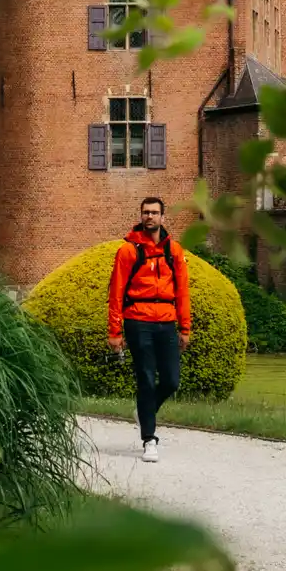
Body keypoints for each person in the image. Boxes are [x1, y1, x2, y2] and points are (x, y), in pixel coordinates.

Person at [107, 195, 191, 463]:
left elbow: (183, 291)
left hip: (166, 321)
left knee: (171, 380)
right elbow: (116, 292)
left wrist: (185, 327)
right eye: (146, 212)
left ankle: (146, 411)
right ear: (141, 216)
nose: (150, 217)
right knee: (145, 378)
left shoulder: (174, 251)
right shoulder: (128, 251)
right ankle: (149, 440)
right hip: (137, 320)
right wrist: (114, 331)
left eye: (155, 212)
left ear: (163, 217)